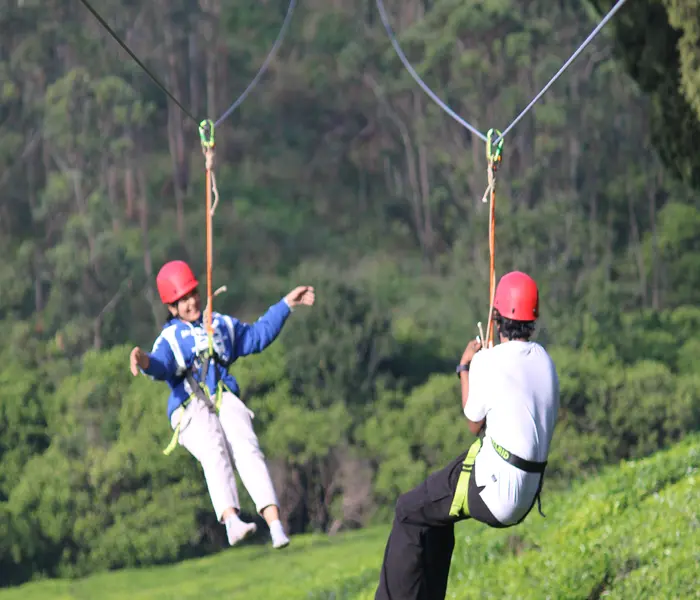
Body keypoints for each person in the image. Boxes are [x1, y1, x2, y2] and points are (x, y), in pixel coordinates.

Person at [374, 271, 560, 600]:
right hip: (527, 492)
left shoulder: (488, 361)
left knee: (407, 511)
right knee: (435, 517)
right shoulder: (545, 360)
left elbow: (473, 422)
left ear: (496, 318)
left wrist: (466, 369)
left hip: (494, 487)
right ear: (533, 319)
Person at [129, 260, 315, 550]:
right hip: (189, 407)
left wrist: (286, 305)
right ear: (172, 307)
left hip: (220, 396)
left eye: (193, 295)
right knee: (213, 445)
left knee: (246, 444)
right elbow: (162, 365)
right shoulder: (169, 338)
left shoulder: (220, 324)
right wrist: (143, 361)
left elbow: (256, 337)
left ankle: (275, 525)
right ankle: (231, 522)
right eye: (183, 299)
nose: (191, 302)